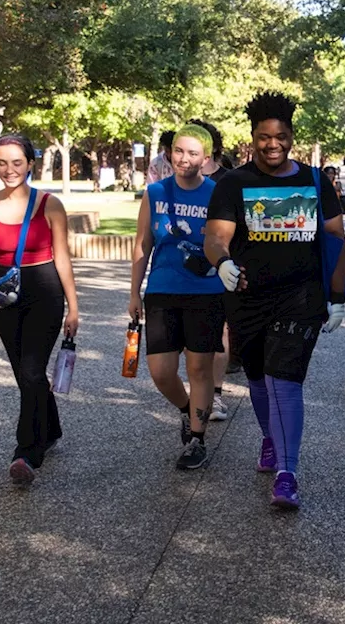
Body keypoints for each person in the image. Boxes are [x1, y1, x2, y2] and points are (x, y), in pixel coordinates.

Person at [204, 92, 345, 509]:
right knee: (258, 380)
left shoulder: (316, 181)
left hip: (302, 297)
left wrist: (337, 296)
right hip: (247, 298)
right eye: (264, 136)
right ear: (253, 137)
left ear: (291, 137)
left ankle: (287, 472)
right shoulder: (234, 183)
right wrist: (222, 263)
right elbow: (215, 236)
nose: (273, 144)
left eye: (281, 136)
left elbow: (334, 240)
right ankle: (270, 438)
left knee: (283, 379)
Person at [0, 135, 80, 486]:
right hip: (4, 297)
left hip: (44, 291)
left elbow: (62, 257)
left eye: (17, 162)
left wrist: (73, 305)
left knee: (31, 372)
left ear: (30, 163)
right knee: (26, 374)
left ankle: (26, 452)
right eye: (2, 163)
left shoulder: (49, 205)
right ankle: (50, 428)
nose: (9, 170)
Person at [128, 125, 225, 470]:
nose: (185, 159)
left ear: (207, 158)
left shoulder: (218, 193)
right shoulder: (155, 193)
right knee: (161, 371)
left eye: (193, 153)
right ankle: (187, 409)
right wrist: (134, 293)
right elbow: (143, 244)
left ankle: (197, 439)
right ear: (170, 153)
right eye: (179, 151)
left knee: (199, 366)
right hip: (163, 290)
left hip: (207, 291)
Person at [189, 118, 236, 400]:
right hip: (188, 268)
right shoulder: (178, 181)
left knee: (221, 333)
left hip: (220, 266)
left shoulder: (228, 181)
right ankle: (199, 391)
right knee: (193, 341)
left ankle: (215, 394)